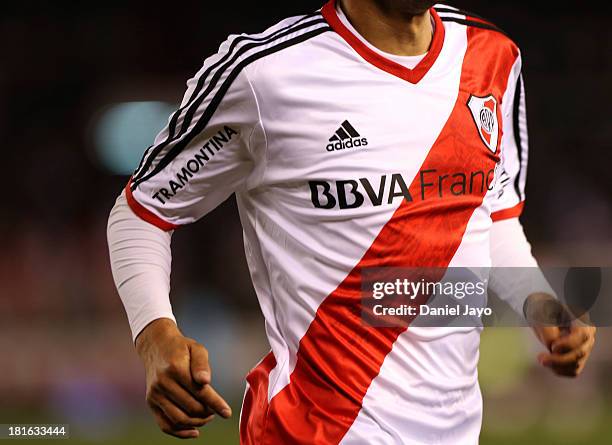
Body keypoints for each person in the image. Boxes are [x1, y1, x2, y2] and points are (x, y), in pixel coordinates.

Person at [107, 0, 596, 443]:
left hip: (455, 431)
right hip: (314, 429)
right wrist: (154, 334)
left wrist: (541, 303)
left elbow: (491, 216)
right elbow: (141, 211)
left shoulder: (492, 58)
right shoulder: (265, 76)